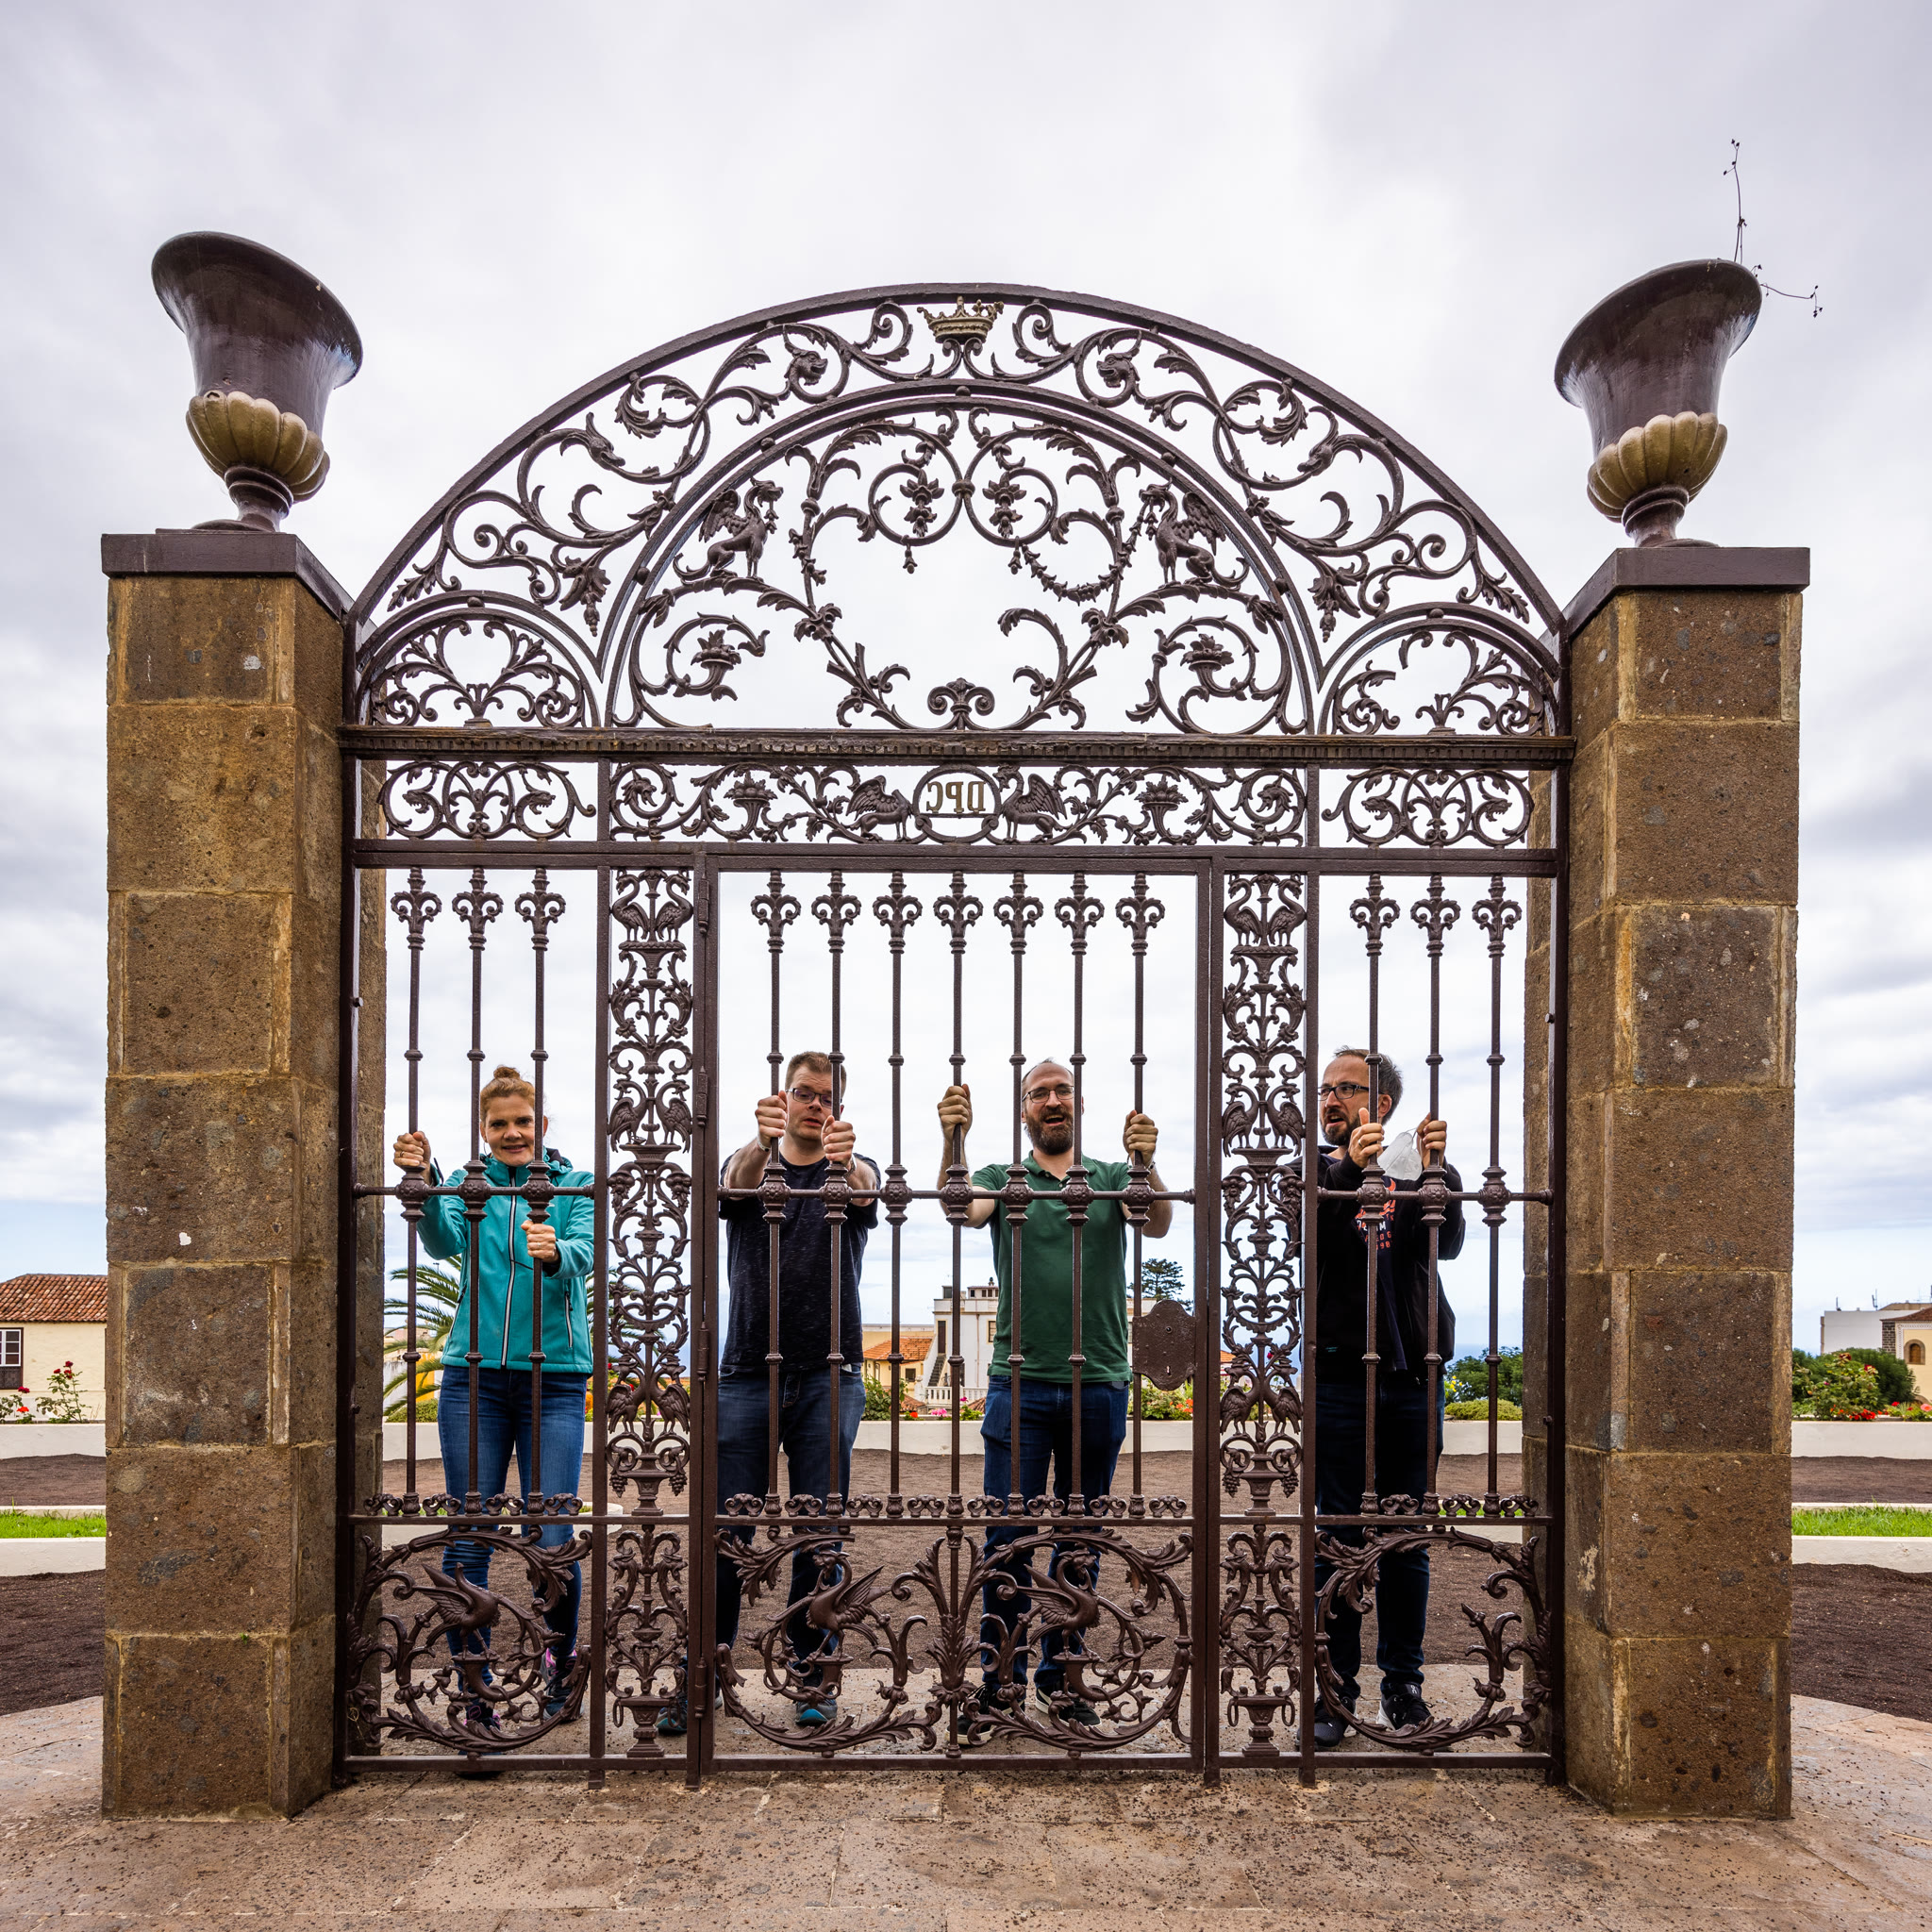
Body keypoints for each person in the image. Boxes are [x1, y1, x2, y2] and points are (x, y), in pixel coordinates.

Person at [935, 1060, 1173, 1734]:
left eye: (1061, 1089)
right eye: (1038, 1092)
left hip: (1099, 1383)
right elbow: (961, 1208)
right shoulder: (1004, 1177)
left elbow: (1156, 1223)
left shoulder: (1109, 1175)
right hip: (1019, 1385)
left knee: (1080, 1542)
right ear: (1024, 1111)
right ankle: (999, 1686)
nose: (1051, 1099)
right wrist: (953, 1141)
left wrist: (1144, 1161)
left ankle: (1060, 1678)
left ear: (1080, 1102)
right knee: (1006, 1541)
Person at [659, 1050, 879, 1737]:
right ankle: (702, 1675)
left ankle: (813, 1675)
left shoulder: (851, 1168)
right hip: (748, 1371)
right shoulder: (751, 1165)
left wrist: (848, 1161)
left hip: (831, 1375)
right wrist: (761, 1140)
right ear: (783, 1098)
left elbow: (869, 1190)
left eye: (827, 1097)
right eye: (804, 1093)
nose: (815, 1105)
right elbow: (731, 1185)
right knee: (728, 1530)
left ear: (839, 1107)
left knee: (821, 1533)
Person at [391, 1065, 595, 1729]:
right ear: (484, 1130)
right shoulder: (467, 1184)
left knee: (552, 1536)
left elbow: (589, 1252)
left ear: (542, 1125)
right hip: (473, 1380)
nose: (512, 1132)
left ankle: (560, 1667)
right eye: (499, 1123)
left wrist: (555, 1251)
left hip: (554, 1380)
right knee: (470, 1533)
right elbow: (442, 1239)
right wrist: (423, 1179)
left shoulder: (575, 1184)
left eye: (522, 1121)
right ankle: (475, 1691)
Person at [1304, 1046, 1463, 1746]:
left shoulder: (1417, 1164)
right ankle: (1334, 1690)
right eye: (1325, 1089)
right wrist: (1346, 1170)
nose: (1330, 1099)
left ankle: (1403, 1687)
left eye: (1346, 1088)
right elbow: (1308, 1240)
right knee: (1336, 1539)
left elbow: (1449, 1243)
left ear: (1383, 1103)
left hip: (1412, 1379)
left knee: (1406, 1542)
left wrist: (1436, 1173)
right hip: (1339, 1379)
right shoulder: (1314, 1170)